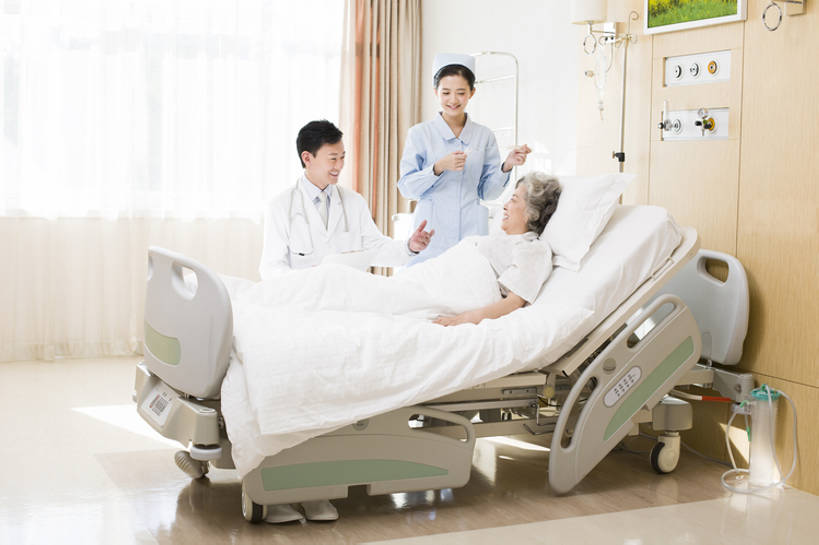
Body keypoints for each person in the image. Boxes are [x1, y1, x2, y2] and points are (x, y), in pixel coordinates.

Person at [398, 53, 532, 264]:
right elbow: (407, 189)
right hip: (431, 234)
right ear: (436, 92)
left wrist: (507, 166)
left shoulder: (483, 135)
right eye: (446, 92)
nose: (453, 100)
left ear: (472, 92)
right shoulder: (420, 134)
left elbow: (488, 192)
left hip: (471, 232)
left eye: (460, 93)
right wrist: (438, 167)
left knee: (471, 280)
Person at [259, 120, 434, 281]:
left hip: (348, 296)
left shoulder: (354, 202)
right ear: (307, 158)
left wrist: (410, 246)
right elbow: (271, 269)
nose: (340, 165)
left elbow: (376, 248)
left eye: (342, 157)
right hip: (304, 298)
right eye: (333, 159)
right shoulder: (280, 207)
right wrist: (308, 279)